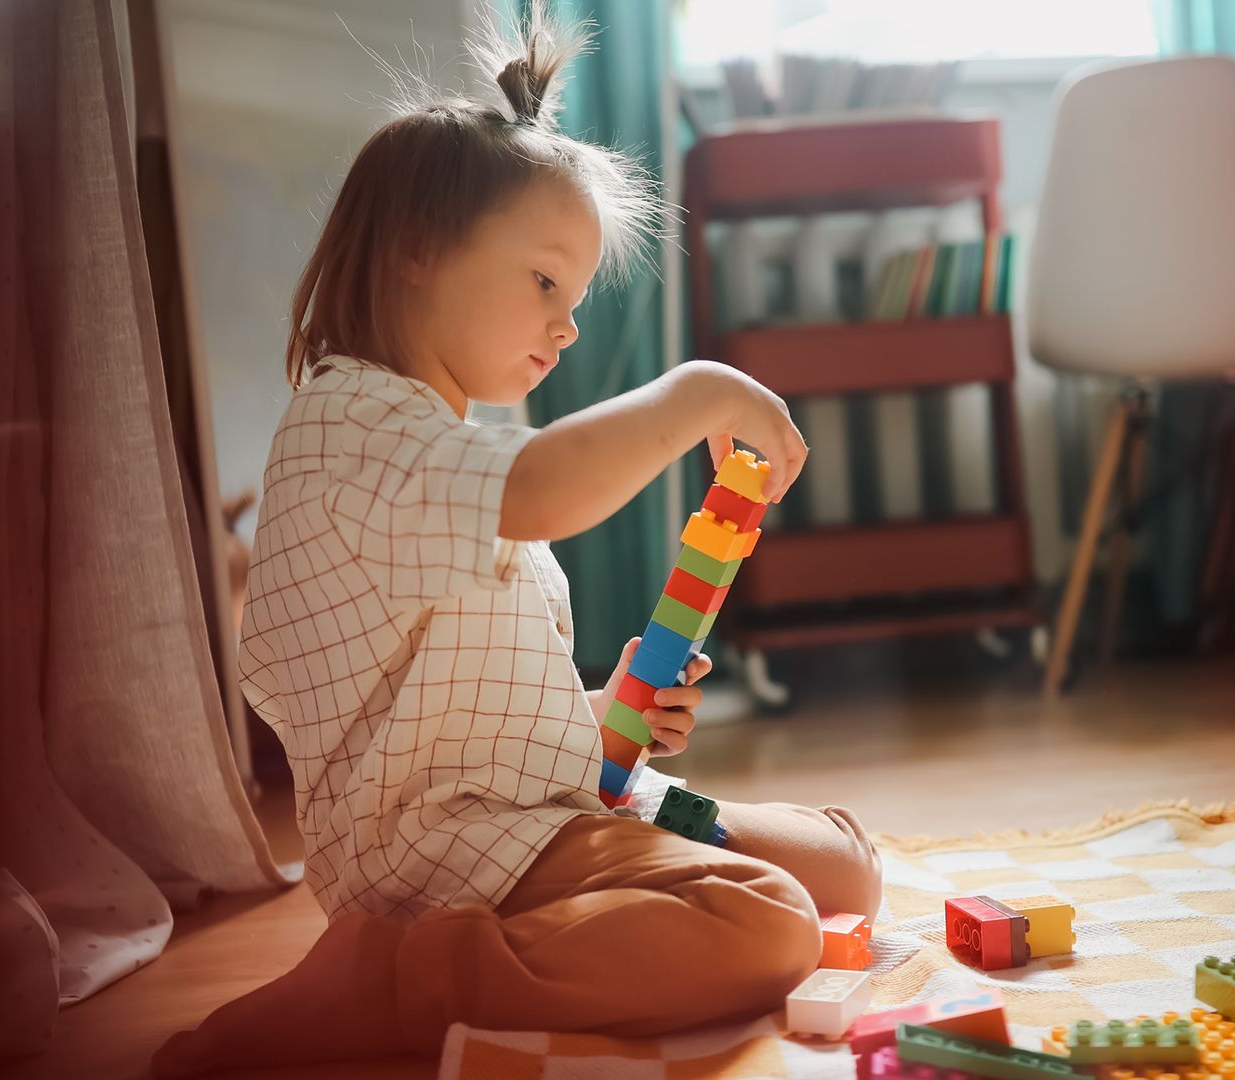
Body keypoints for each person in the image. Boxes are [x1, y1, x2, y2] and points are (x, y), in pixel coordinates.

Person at [154, 9, 880, 1075]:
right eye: (545, 282)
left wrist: (599, 712)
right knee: (770, 924)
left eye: (576, 298)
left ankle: (620, 884)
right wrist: (695, 392)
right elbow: (544, 489)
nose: (567, 324)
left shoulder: (428, 438)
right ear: (417, 250)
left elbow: (454, 700)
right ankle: (398, 977)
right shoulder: (355, 426)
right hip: (445, 848)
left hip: (535, 798)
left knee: (844, 871)